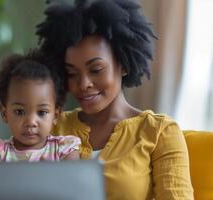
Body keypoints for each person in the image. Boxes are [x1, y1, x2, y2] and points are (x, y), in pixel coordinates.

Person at [36, 0, 194, 199]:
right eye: (71, 73)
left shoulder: (158, 132)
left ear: (124, 64)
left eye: (96, 70)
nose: (83, 83)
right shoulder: (51, 126)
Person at [0, 50, 81, 162]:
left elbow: (73, 177)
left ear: (55, 115)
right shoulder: (0, 152)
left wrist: (52, 173)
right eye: (19, 112)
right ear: (4, 113)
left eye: (42, 112)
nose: (31, 122)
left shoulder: (64, 149)